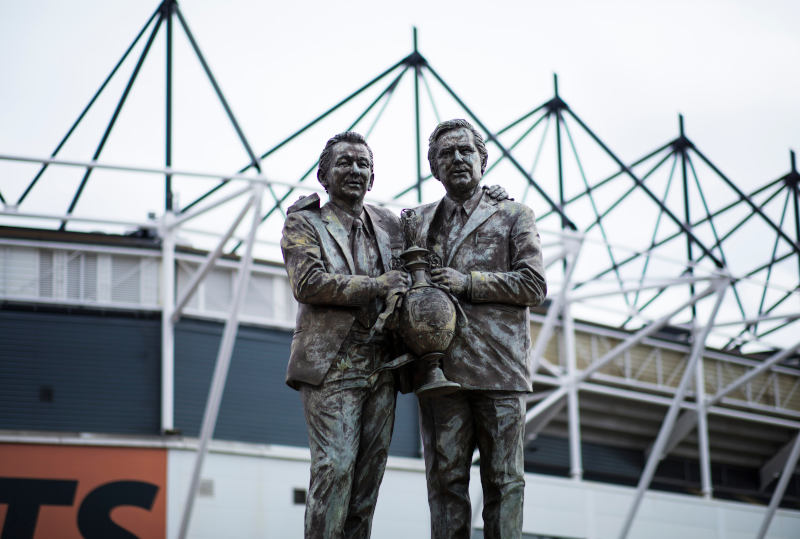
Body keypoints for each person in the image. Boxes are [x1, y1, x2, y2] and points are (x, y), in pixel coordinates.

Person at [413, 119, 547, 538]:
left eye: (465, 151)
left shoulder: (513, 215)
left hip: (499, 370)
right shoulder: (417, 222)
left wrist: (469, 282)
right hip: (441, 374)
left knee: (505, 483)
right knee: (445, 484)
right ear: (433, 168)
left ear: (483, 159)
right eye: (445, 153)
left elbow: (533, 284)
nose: (456, 159)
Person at [280, 131, 410, 538]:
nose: (354, 170)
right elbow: (310, 283)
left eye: (362, 164)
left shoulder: (391, 224)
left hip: (382, 364)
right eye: (344, 163)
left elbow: (441, 221)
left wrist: (490, 193)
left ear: (372, 178)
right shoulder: (305, 222)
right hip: (332, 362)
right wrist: (377, 285)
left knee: (367, 483)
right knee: (334, 468)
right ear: (323, 175)